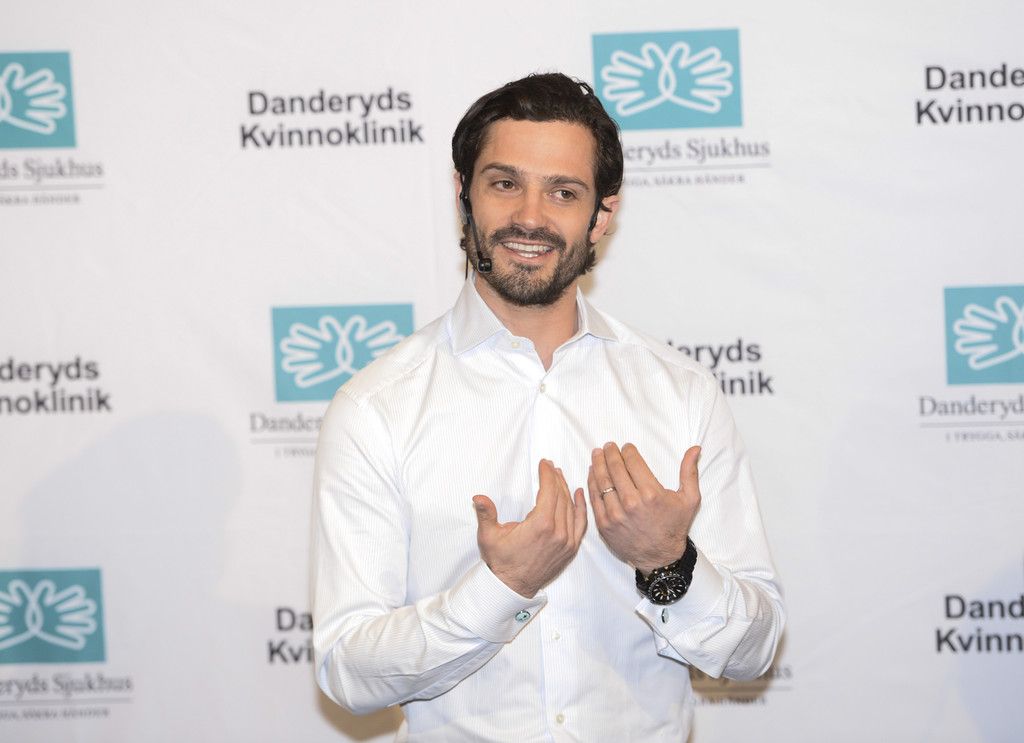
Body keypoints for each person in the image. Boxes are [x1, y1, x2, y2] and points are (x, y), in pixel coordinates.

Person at [311, 72, 784, 742]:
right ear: (463, 194)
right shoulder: (376, 407)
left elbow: (752, 651)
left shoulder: (680, 393)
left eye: (563, 192)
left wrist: (668, 562)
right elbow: (348, 672)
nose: (530, 217)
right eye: (505, 183)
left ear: (602, 215)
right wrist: (499, 587)